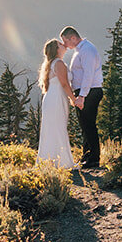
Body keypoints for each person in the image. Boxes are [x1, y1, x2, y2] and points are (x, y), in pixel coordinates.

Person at [59, 25, 103, 169]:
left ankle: (94, 159)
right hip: (84, 92)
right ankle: (87, 156)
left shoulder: (87, 50)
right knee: (84, 125)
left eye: (65, 41)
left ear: (73, 37)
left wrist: (82, 96)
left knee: (89, 125)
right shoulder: (80, 50)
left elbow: (88, 74)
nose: (65, 45)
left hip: (89, 92)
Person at [36, 39, 75, 169]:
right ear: (57, 49)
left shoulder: (51, 64)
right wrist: (73, 99)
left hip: (51, 98)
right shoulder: (58, 63)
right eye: (60, 44)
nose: (63, 45)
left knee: (53, 129)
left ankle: (51, 161)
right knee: (58, 128)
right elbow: (64, 83)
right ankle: (62, 162)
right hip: (57, 98)